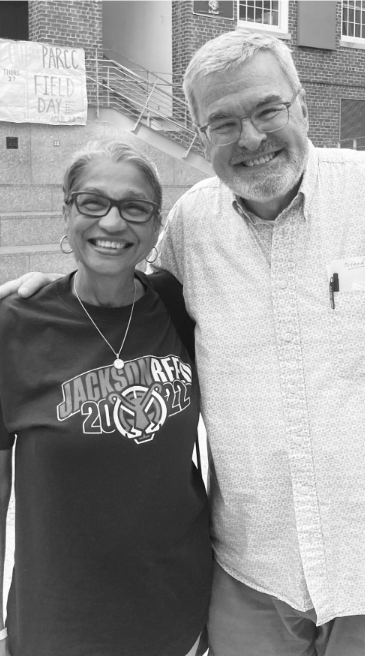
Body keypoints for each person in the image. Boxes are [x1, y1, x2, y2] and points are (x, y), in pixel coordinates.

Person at [0, 31, 365, 655]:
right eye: (223, 122)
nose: (251, 138)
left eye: (267, 110)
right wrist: (49, 291)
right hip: (251, 577)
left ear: (302, 105)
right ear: (201, 136)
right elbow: (115, 264)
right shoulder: (192, 227)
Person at [0, 140, 212, 656]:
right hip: (59, 621)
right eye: (93, 202)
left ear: (154, 223)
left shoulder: (178, 307)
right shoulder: (16, 326)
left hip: (176, 610)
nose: (113, 223)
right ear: (66, 210)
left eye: (134, 207)